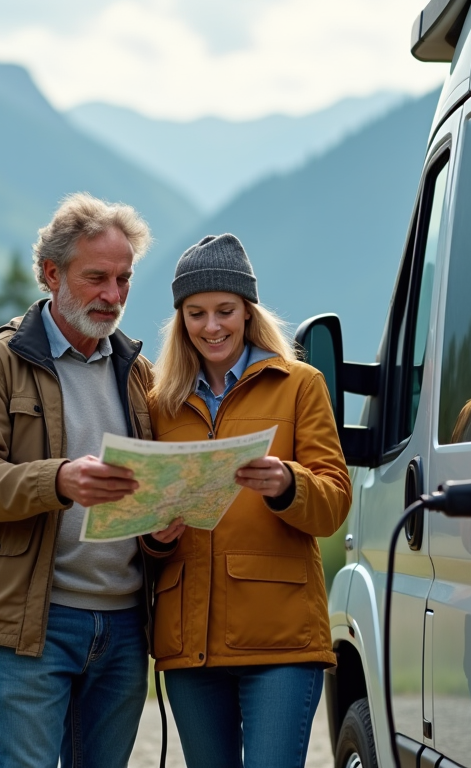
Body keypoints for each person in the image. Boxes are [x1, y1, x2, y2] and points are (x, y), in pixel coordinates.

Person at [0, 192, 179, 768]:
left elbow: (143, 488)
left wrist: (160, 531)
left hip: (127, 627)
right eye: (96, 277)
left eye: (123, 279)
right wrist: (59, 479)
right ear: (51, 273)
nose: (113, 296)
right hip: (36, 622)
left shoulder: (138, 371)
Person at [145, 233, 351, 768]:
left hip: (280, 640)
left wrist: (287, 484)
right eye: (196, 313)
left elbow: (333, 503)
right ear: (180, 320)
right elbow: (142, 513)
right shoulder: (158, 404)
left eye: (224, 311)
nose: (211, 326)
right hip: (189, 642)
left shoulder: (300, 385)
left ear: (248, 312)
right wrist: (153, 534)